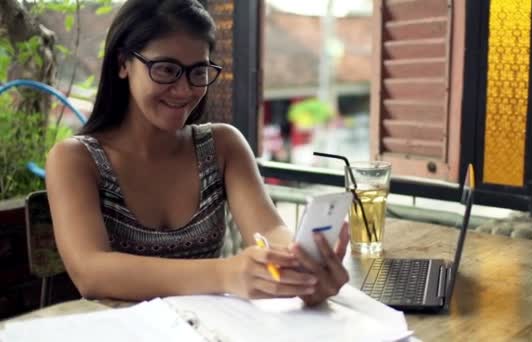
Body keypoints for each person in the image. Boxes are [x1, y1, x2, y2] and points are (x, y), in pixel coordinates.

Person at [45, 0, 349, 305]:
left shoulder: (222, 145)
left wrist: (300, 266)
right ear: (123, 63)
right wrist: (225, 274)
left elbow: (269, 229)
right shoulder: (75, 160)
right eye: (166, 69)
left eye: (198, 72)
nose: (185, 89)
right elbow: (91, 272)